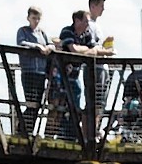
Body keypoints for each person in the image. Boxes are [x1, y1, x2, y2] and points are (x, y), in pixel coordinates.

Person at [57, 9, 104, 140]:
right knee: (62, 106)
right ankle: (63, 135)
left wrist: (85, 50)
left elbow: (95, 50)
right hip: (62, 77)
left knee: (75, 107)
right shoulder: (67, 31)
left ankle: (71, 136)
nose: (88, 25)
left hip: (75, 77)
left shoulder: (86, 34)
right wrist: (86, 50)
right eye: (85, 21)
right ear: (77, 21)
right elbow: (74, 49)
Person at [16, 7, 53, 136]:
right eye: (33, 18)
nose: (36, 21)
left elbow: (51, 44)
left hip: (41, 72)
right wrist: (37, 47)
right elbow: (21, 43)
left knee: (37, 103)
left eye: (38, 18)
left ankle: (28, 130)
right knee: (31, 101)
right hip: (28, 71)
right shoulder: (23, 31)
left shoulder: (42, 33)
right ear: (28, 18)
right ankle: (22, 128)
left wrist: (48, 47)